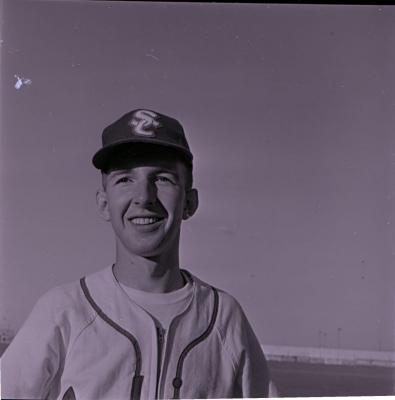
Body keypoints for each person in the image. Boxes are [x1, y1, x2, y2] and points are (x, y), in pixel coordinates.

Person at [1, 108, 275, 399]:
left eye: (163, 179)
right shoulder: (63, 311)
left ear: (190, 202)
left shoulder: (225, 319)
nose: (144, 197)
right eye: (124, 179)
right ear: (104, 203)